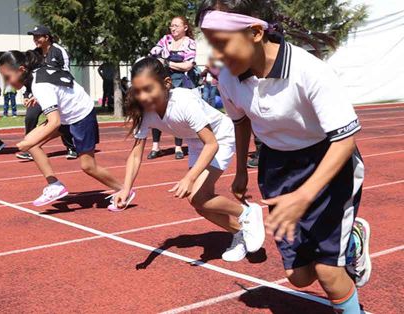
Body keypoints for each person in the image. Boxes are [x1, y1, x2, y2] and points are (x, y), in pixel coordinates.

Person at [198, 1, 371, 313]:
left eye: (221, 43)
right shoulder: (226, 77)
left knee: (329, 273)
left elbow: (345, 140)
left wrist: (305, 195)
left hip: (328, 162)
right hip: (277, 168)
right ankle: (352, 241)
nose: (216, 55)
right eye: (211, 45)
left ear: (254, 32)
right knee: (299, 276)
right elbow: (241, 121)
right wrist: (241, 171)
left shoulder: (309, 71)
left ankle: (348, 250)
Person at [115, 57, 265, 260]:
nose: (144, 96)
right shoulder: (146, 111)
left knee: (197, 196)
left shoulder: (184, 102)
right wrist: (126, 188)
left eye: (149, 89)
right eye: (138, 91)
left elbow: (212, 143)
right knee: (199, 204)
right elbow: (136, 153)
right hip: (196, 143)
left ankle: (247, 213)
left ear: (167, 83)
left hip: (219, 136)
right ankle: (239, 233)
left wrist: (189, 178)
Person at [0, 50, 132, 210]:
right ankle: (55, 185)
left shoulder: (39, 85)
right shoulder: (37, 73)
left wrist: (28, 144)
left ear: (21, 69)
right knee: (31, 142)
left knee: (88, 166)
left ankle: (124, 190)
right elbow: (63, 82)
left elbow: (54, 122)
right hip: (68, 113)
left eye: (7, 77)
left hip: (81, 115)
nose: (7, 82)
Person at [16, 25, 77, 161]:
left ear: (47, 37)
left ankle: (71, 147)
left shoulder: (59, 51)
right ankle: (30, 147)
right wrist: (28, 94)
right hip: (40, 93)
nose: (35, 39)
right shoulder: (34, 54)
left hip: (59, 92)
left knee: (60, 120)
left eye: (38, 36)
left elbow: (65, 75)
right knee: (30, 116)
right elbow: (29, 76)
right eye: (34, 37)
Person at [148, 16, 198, 160]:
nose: (173, 28)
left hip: (179, 81)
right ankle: (155, 146)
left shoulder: (190, 43)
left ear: (185, 28)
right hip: (161, 79)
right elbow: (152, 53)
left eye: (176, 25)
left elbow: (188, 65)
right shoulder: (165, 39)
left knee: (177, 113)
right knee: (157, 111)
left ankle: (178, 147)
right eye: (171, 26)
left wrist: (166, 63)